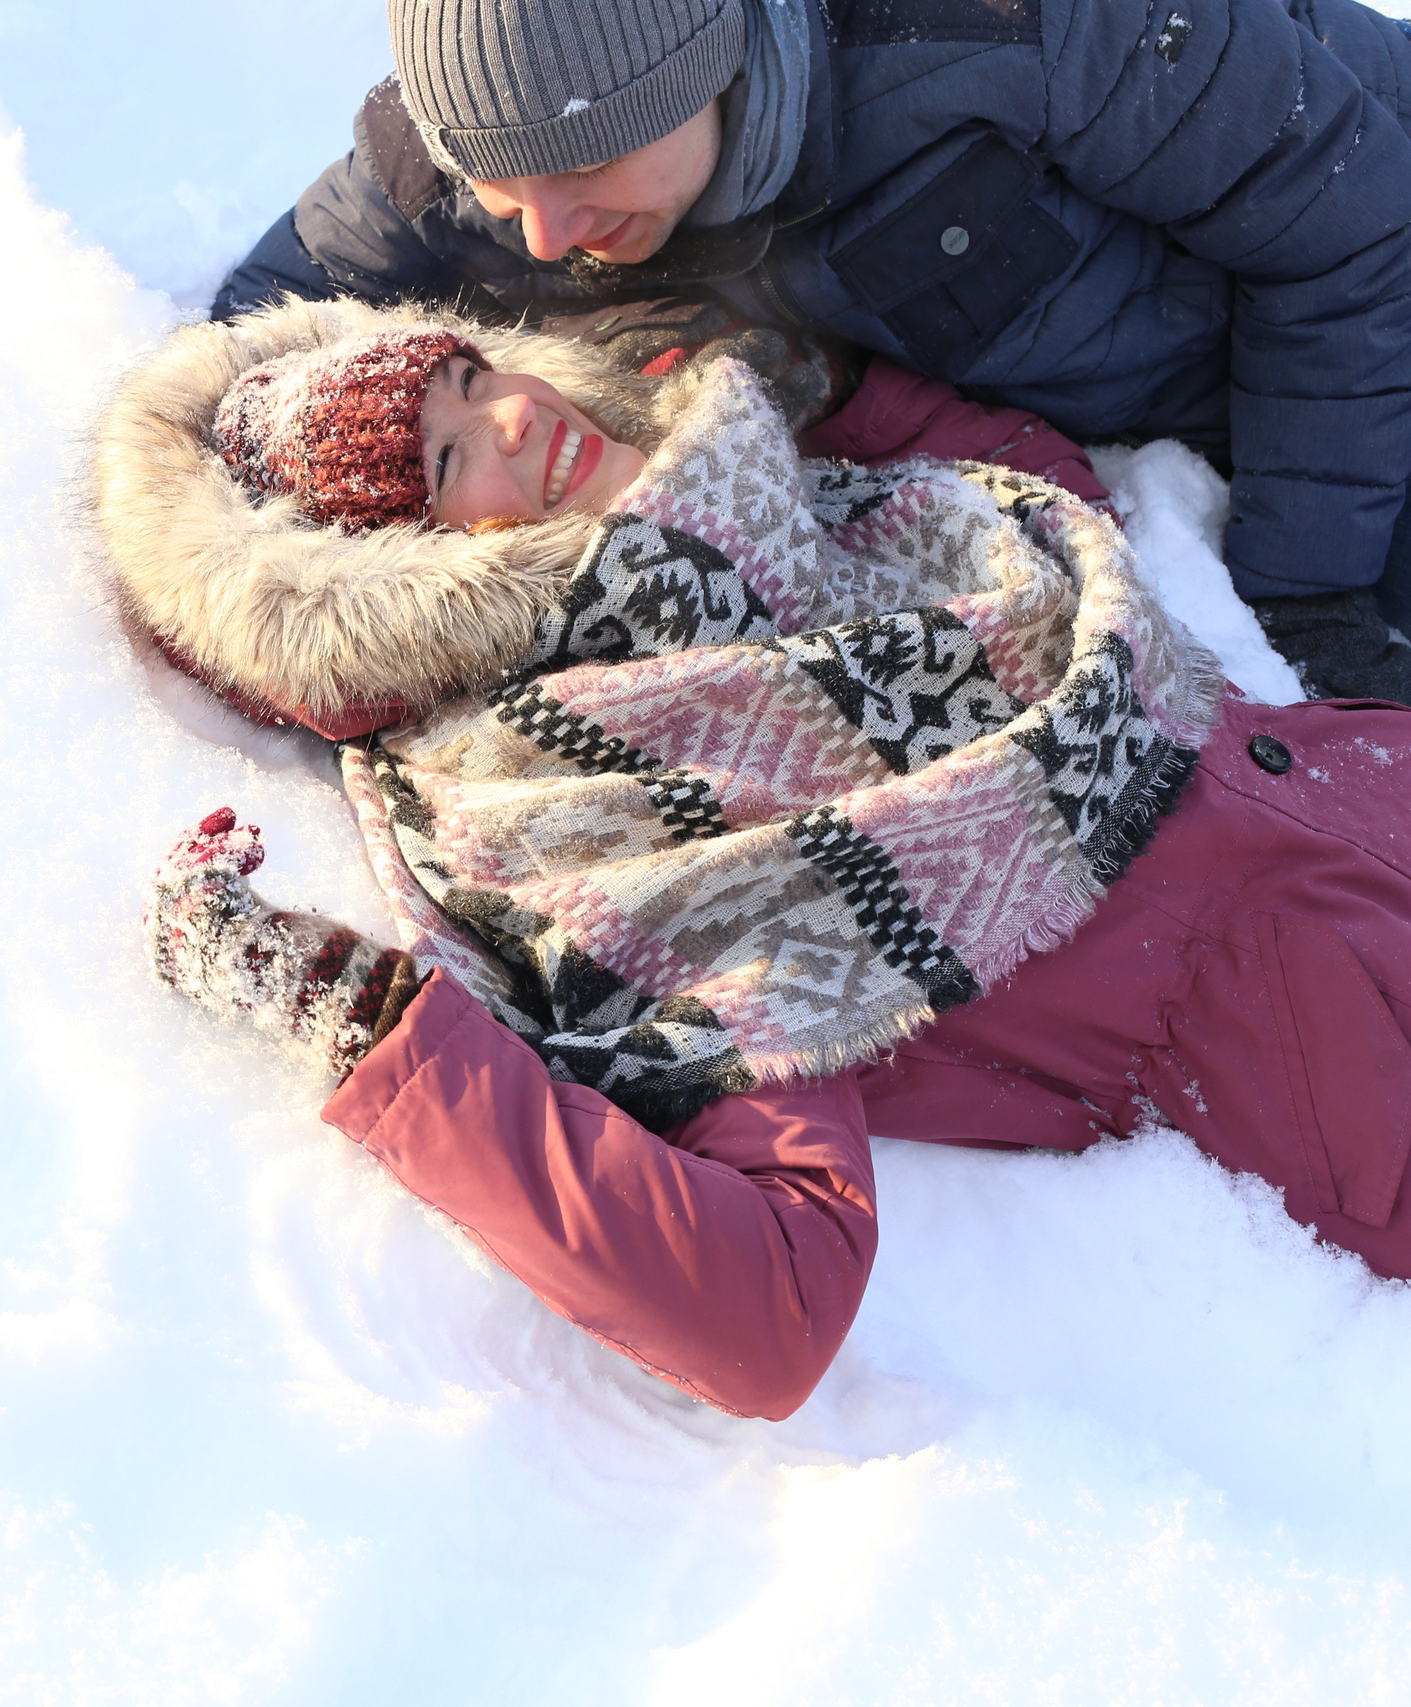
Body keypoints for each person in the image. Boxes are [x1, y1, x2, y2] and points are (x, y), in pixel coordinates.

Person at [87, 299, 1411, 1421]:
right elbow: (769, 1306)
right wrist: (373, 1030)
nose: (512, 418)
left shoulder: (782, 503)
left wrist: (842, 385)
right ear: (404, 583)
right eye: (445, 458)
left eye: (474, 376)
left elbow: (1048, 489)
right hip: (1351, 1051)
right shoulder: (602, 817)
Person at [212, 0, 1411, 702]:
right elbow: (253, 339)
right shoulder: (472, 131)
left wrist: (1306, 590)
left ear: (708, 69)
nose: (544, 233)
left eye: (586, 168)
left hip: (1353, 347)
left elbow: (1354, 228)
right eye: (495, 182)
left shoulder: (1005, 28)